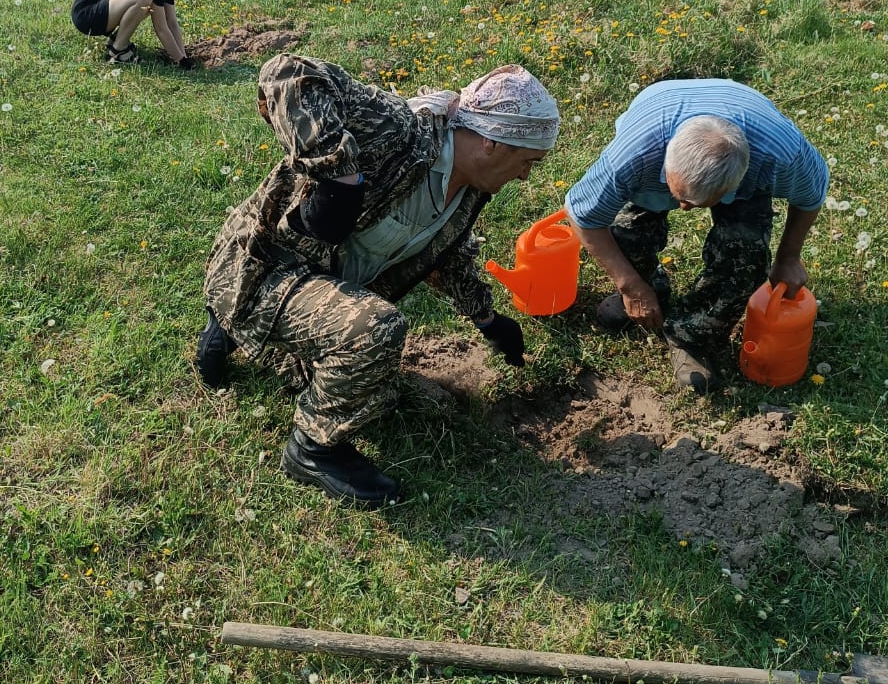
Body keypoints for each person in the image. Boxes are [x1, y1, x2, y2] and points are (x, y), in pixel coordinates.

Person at [197, 54, 560, 506]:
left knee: (377, 391)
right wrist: (339, 177)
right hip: (265, 269)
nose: (526, 176)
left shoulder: (467, 193)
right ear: (492, 143)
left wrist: (487, 320)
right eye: (528, 161)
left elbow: (443, 258)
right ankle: (313, 447)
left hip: (320, 285)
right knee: (374, 330)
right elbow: (289, 73)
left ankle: (244, 330)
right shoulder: (403, 133)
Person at [564, 79, 828, 395]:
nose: (685, 210)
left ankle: (691, 336)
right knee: (624, 235)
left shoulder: (780, 156)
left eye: (696, 204)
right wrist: (630, 285)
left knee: (745, 260)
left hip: (746, 153)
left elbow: (811, 195)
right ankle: (650, 291)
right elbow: (582, 214)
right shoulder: (634, 154)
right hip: (657, 136)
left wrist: (788, 257)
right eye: (678, 196)